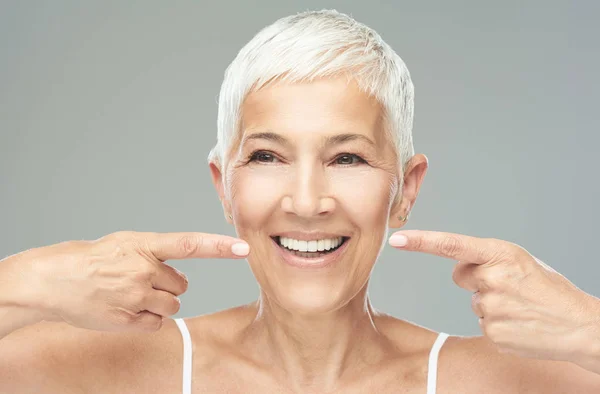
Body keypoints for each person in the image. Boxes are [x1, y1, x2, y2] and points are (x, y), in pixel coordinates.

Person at [1, 9, 600, 394]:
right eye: (267, 157)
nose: (308, 201)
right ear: (223, 185)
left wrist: (586, 326)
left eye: (347, 158)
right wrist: (29, 283)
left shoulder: (502, 382)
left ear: (405, 190)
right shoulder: (112, 374)